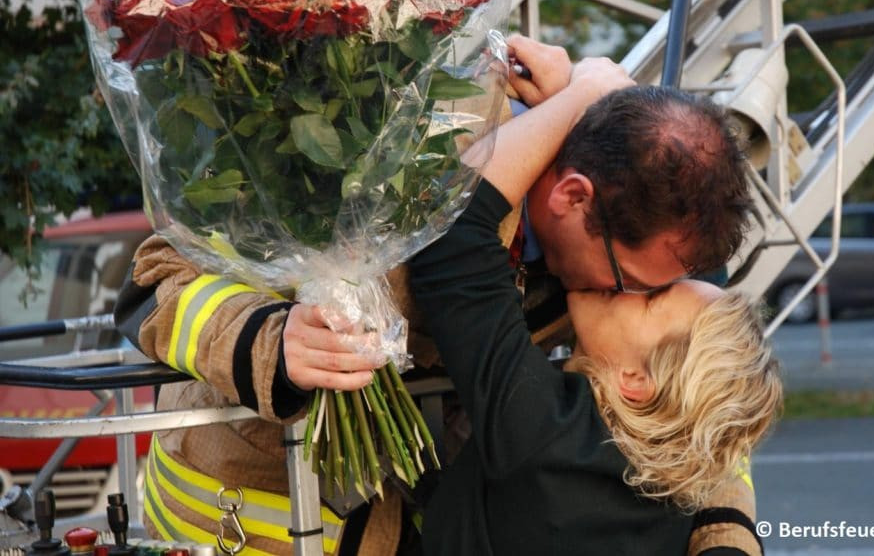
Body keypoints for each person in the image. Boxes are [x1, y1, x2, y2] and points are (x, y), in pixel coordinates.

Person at [115, 42, 763, 555]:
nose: (631, 295)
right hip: (240, 523)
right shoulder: (386, 142)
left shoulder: (626, 256)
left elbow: (707, 406)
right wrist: (268, 340)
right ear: (573, 198)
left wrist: (725, 539)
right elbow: (153, 277)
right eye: (634, 281)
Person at [399, 72, 783, 554]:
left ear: (636, 381)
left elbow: (455, 230)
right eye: (640, 285)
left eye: (650, 295)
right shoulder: (675, 490)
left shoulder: (548, 433)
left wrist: (581, 95)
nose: (624, 292)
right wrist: (607, 123)